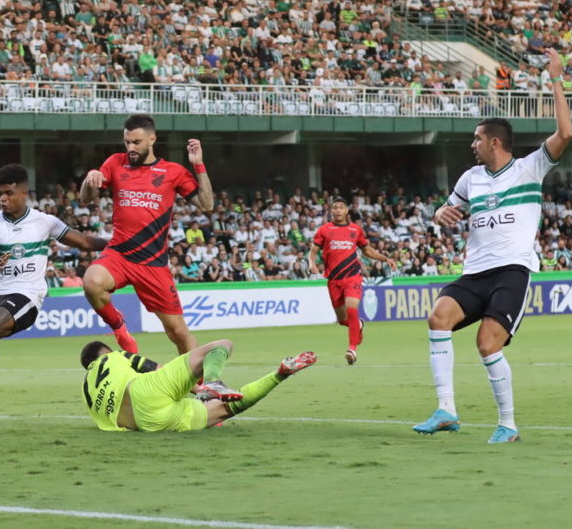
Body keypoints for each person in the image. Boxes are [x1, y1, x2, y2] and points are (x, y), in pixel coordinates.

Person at [413, 49, 572, 444]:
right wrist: (440, 215)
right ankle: (447, 410)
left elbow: (566, 134)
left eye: (477, 139)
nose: (473, 144)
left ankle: (508, 424)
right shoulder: (471, 178)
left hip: (511, 271)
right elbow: (447, 209)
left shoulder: (529, 168)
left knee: (487, 344)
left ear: (495, 142)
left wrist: (555, 79)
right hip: (474, 272)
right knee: (438, 319)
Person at [0, 164, 108, 429]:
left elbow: (84, 242)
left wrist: (119, 243)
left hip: (27, 296)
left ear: (24, 193)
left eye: (8, 193)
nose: (2, 198)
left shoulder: (44, 221)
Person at [79, 114, 213, 355]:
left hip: (153, 264)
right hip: (120, 254)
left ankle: (201, 386)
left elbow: (206, 204)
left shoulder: (173, 171)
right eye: (127, 142)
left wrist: (199, 165)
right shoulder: (115, 163)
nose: (130, 147)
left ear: (152, 139)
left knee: (178, 332)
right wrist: (90, 180)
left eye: (136, 142)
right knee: (91, 282)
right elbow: (85, 198)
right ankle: (119, 327)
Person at [79, 338, 317, 432]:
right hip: (145, 389)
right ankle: (215, 381)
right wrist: (199, 387)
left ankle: (280, 374)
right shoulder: (113, 357)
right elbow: (157, 369)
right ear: (105, 352)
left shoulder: (85, 390)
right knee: (221, 346)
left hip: (150, 424)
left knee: (226, 409)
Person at [308, 196, 397, 365]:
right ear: (331, 210)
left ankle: (352, 349)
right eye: (335, 207)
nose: (338, 210)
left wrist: (385, 259)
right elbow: (313, 251)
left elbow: (367, 251)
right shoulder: (324, 230)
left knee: (352, 309)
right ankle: (358, 325)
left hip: (353, 276)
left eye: (341, 207)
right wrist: (312, 264)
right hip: (334, 280)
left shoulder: (355, 230)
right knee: (343, 320)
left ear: (346, 210)